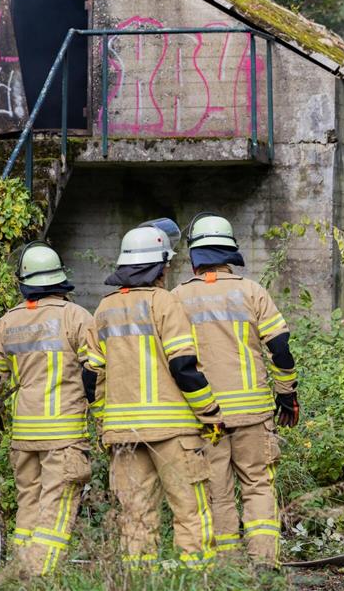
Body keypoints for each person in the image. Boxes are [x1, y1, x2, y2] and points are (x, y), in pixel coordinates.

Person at [85, 220, 223, 569]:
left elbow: (92, 377)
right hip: (173, 431)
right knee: (191, 511)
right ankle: (198, 577)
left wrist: (104, 423)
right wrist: (210, 414)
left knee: (135, 515)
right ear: (161, 266)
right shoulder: (164, 302)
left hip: (123, 435)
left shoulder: (103, 310)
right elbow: (184, 367)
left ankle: (139, 578)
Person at [172, 213, 299, 566]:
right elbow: (280, 347)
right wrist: (287, 393)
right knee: (258, 484)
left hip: (204, 416)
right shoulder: (252, 291)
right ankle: (264, 562)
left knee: (217, 491)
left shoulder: (176, 298)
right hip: (253, 412)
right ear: (230, 252)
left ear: (195, 255)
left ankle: (228, 566)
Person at [0, 242, 96, 575]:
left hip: (24, 435)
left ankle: (20, 570)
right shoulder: (76, 316)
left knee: (28, 507)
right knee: (56, 510)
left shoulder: (8, 322)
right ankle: (39, 576)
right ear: (59, 278)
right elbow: (95, 372)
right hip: (64, 434)